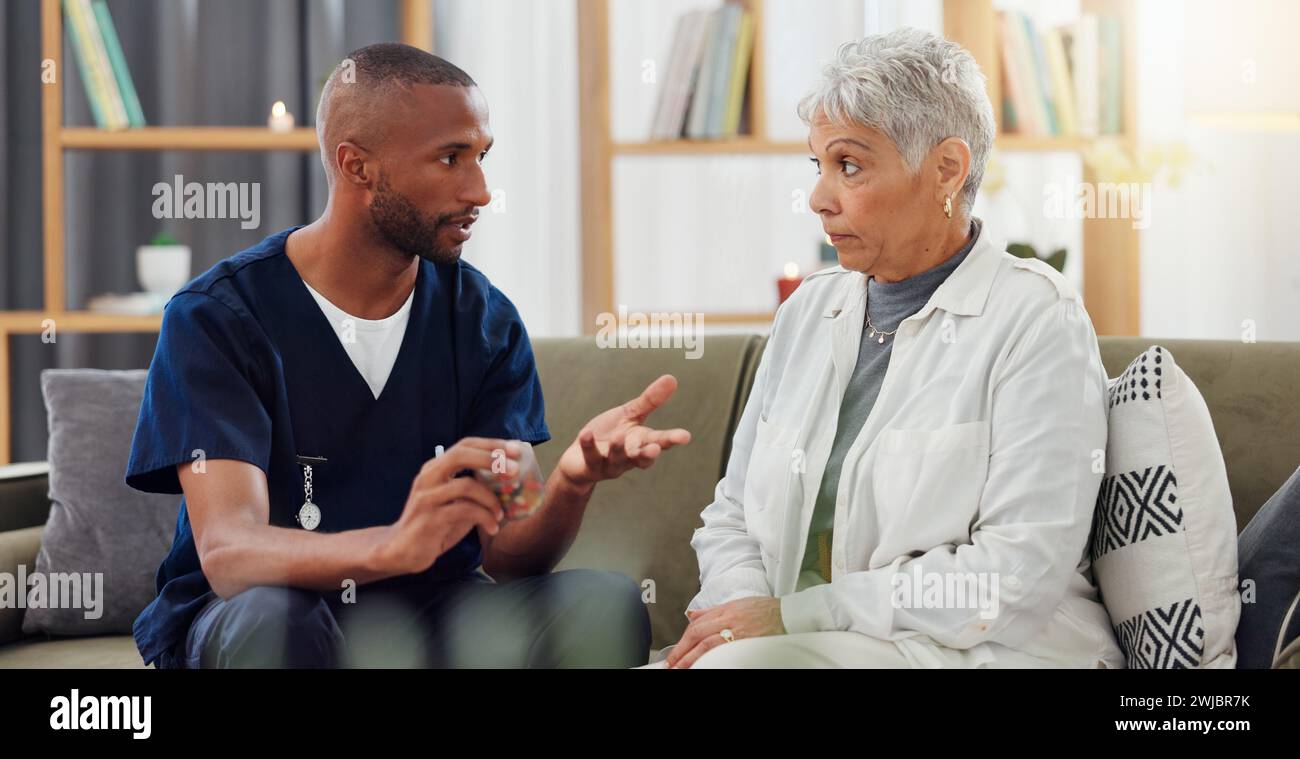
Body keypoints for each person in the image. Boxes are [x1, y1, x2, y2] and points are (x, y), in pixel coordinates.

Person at [126, 43, 690, 669]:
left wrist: (572, 483)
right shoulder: (216, 316)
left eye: (481, 157)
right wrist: (394, 546)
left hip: (430, 612)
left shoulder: (483, 321)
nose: (479, 190)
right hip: (273, 613)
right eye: (451, 158)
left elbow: (509, 552)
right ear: (357, 167)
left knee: (603, 603)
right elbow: (230, 555)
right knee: (274, 621)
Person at [664, 28, 1123, 669]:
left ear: (946, 170)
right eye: (817, 166)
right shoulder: (806, 312)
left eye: (848, 165)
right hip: (802, 646)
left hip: (985, 652)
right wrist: (739, 617)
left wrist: (793, 618)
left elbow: (1014, 574)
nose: (819, 199)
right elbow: (733, 515)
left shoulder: (1035, 318)